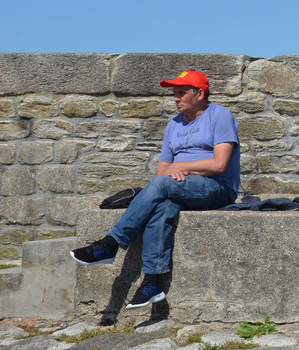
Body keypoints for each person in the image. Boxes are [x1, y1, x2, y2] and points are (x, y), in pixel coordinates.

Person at [70, 70, 239, 309]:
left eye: (181, 93)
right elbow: (162, 171)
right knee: (163, 204)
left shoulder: (220, 116)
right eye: (174, 94)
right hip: (179, 186)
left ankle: (111, 243)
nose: (176, 98)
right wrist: (173, 172)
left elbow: (219, 165)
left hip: (217, 188)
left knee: (161, 186)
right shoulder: (174, 124)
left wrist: (181, 167)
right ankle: (152, 283)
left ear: (200, 94)